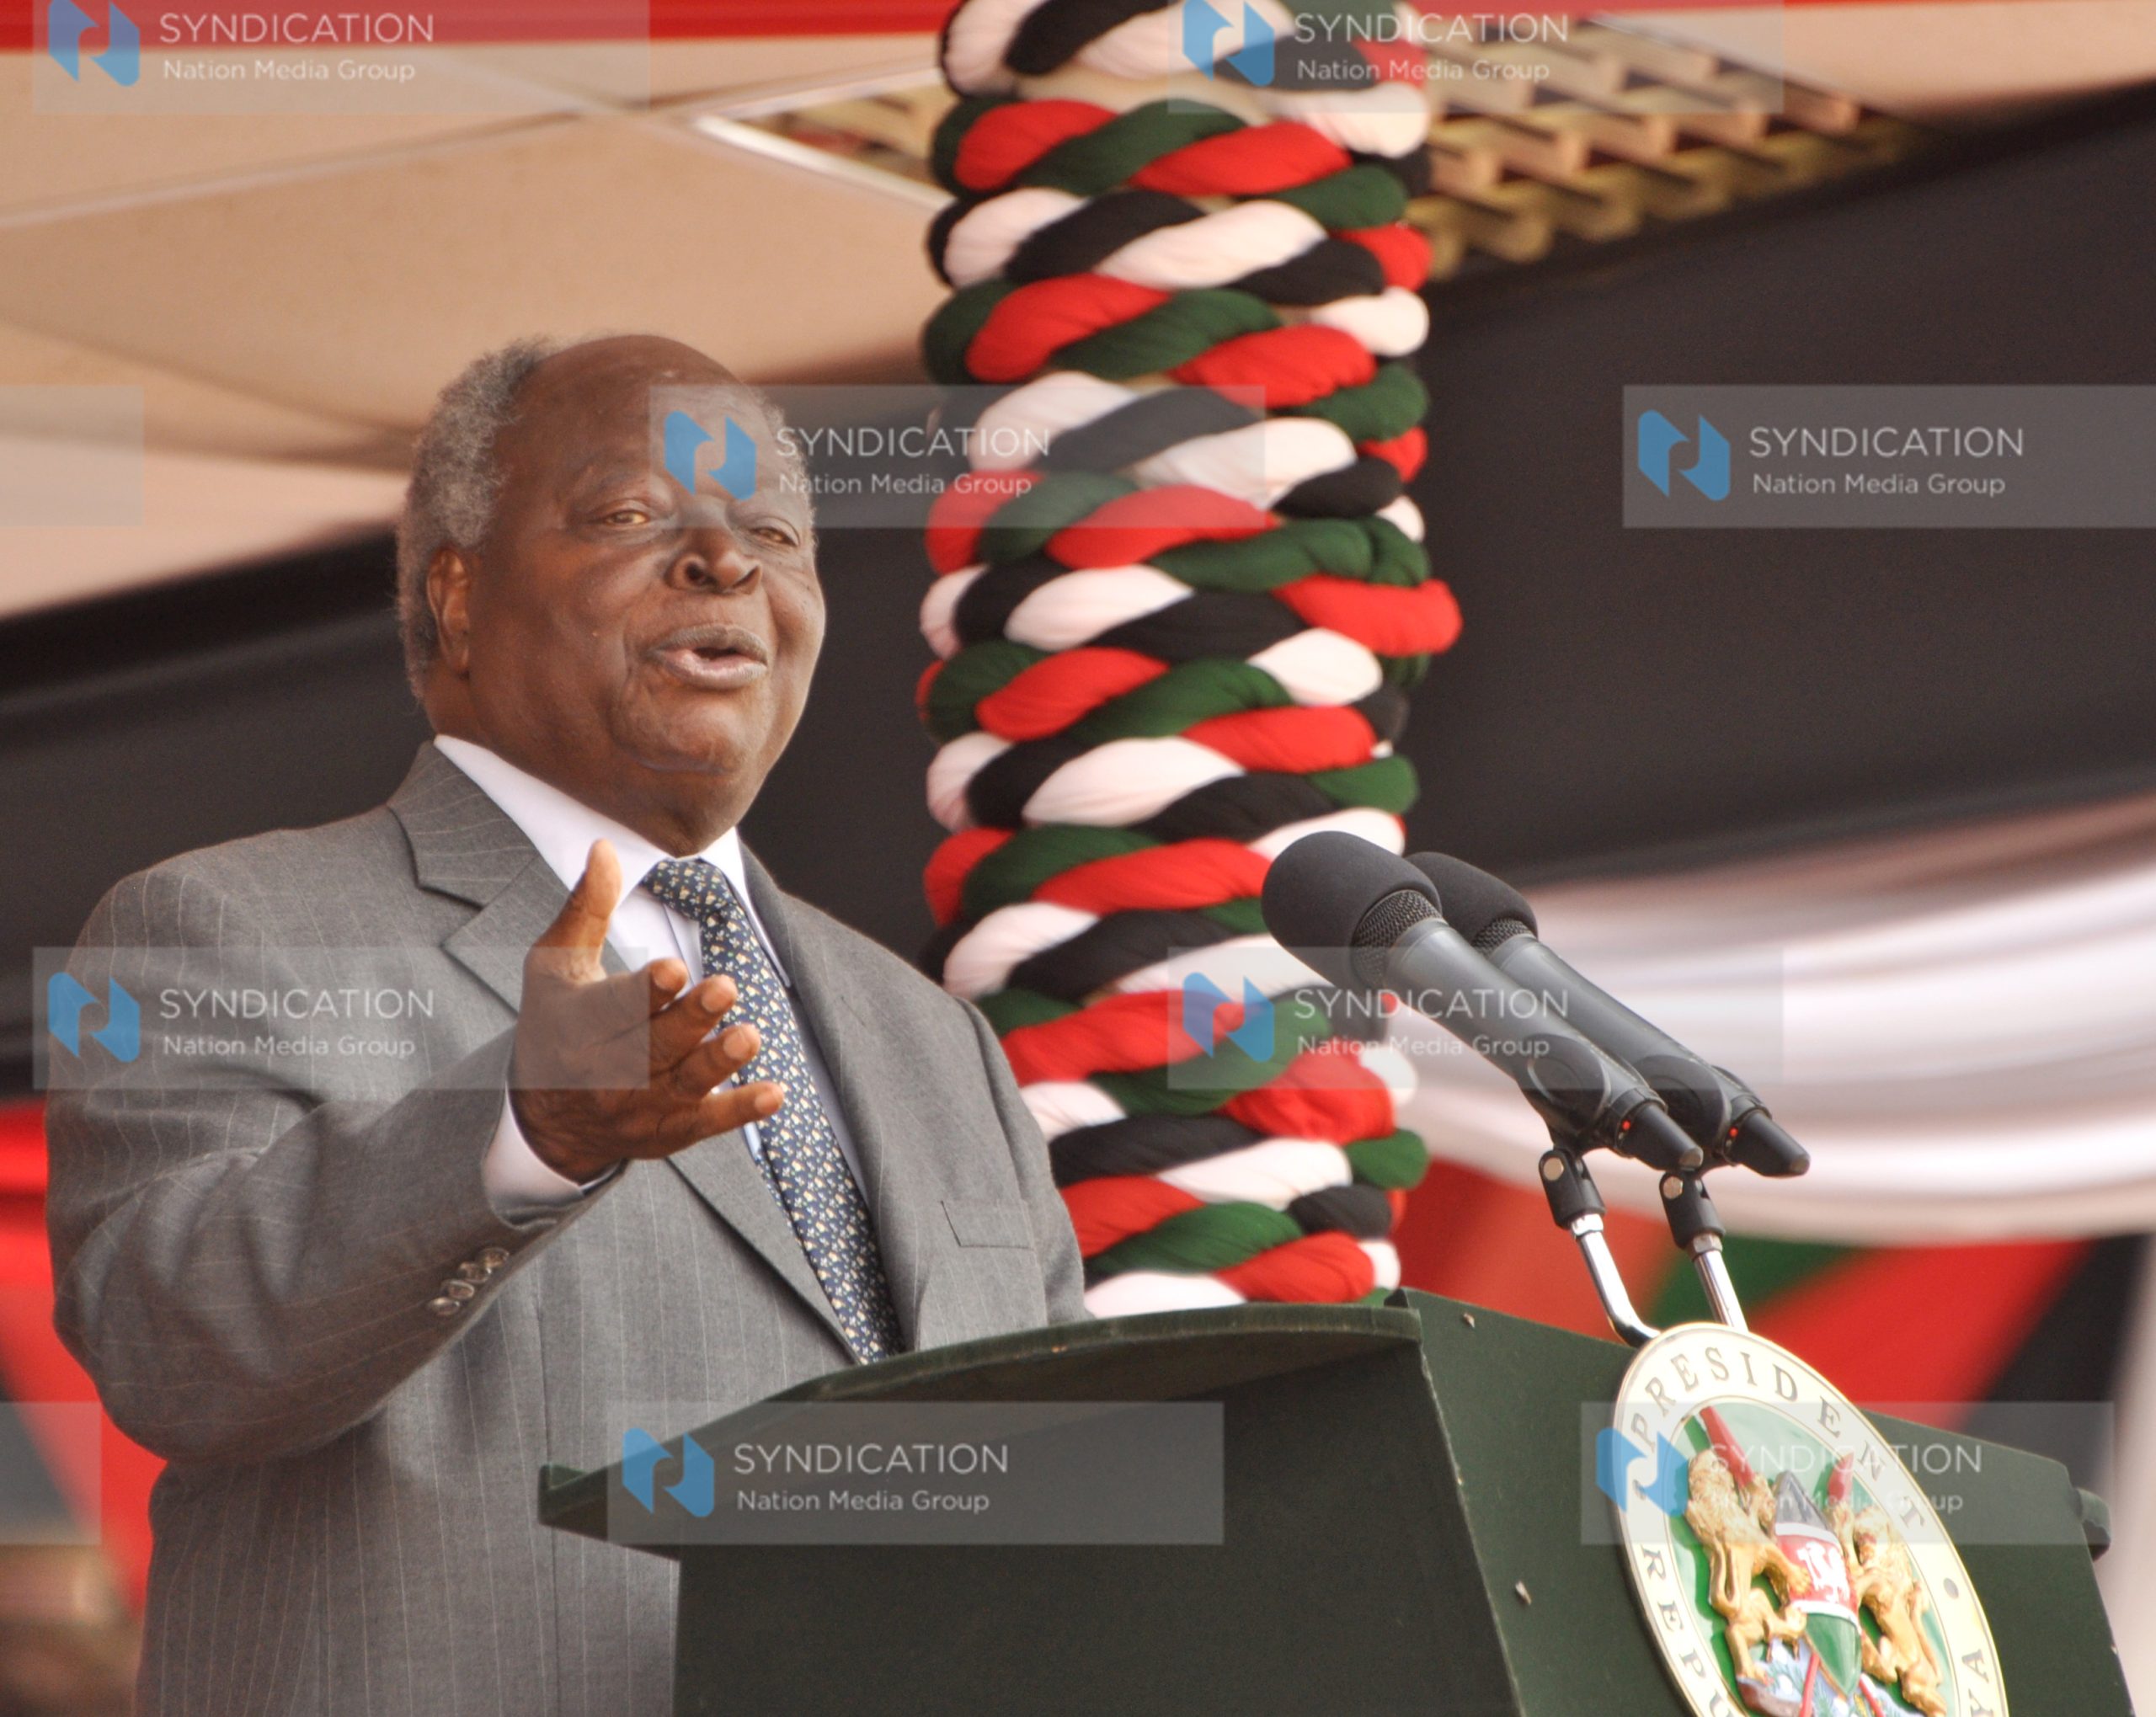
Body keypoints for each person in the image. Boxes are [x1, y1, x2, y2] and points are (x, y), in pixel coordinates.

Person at [44, 333, 1086, 1716]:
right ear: (458, 595)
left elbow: (1059, 1483)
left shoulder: (931, 1038)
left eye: (772, 531)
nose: (729, 565)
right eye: (631, 517)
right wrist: (527, 1130)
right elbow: (175, 1352)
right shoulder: (227, 927)